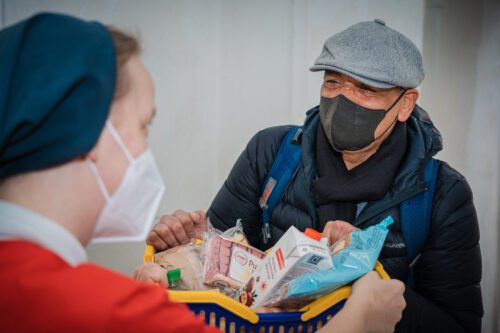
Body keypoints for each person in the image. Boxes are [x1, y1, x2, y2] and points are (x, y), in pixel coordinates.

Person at [0, 13, 405, 333]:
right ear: (86, 133)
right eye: (143, 126)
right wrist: (361, 319)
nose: (145, 149)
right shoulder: (103, 312)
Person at [148, 20, 483, 332]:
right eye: (333, 81)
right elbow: (218, 269)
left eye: (367, 89)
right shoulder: (271, 153)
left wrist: (365, 271)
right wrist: (191, 247)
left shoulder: (441, 193)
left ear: (405, 104)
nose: (343, 99)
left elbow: (457, 324)